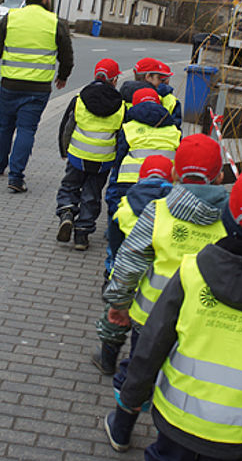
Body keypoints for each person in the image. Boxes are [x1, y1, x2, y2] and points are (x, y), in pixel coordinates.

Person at [109, 167, 242, 459]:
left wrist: (134, 394)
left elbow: (154, 342)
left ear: (228, 217)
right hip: (236, 431)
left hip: (176, 417)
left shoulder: (191, 272)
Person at [98, 133, 228, 451]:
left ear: (173, 174)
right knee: (184, 377)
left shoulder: (157, 211)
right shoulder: (230, 219)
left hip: (150, 317)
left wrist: (118, 303)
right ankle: (170, 437)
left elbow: (129, 259)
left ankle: (122, 428)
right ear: (220, 177)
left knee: (139, 369)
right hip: (201, 321)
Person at [0, 0, 74, 193]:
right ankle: (16, 177)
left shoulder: (11, 18)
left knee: (5, 126)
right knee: (26, 129)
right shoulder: (55, 22)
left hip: (10, 85)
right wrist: (62, 76)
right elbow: (67, 56)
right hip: (38, 88)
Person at [93, 154, 173, 372]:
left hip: (126, 274)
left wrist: (111, 274)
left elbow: (115, 246)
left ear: (140, 177)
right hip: (156, 280)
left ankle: (107, 359)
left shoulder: (126, 205)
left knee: (114, 318)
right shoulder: (172, 209)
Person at [103, 87, 181, 277]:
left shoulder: (128, 127)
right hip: (164, 182)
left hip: (129, 180)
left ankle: (113, 269)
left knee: (122, 219)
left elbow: (119, 155)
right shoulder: (173, 129)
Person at [55, 58, 125, 250]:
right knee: (92, 194)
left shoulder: (80, 99)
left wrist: (64, 150)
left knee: (70, 186)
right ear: (114, 80)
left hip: (77, 156)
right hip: (103, 160)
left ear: (96, 75)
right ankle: (82, 235)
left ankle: (67, 212)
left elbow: (67, 127)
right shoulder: (120, 105)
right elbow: (121, 136)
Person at [119, 58, 182, 128]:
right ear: (148, 77)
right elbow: (175, 128)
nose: (161, 82)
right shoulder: (163, 99)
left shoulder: (121, 97)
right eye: (158, 78)